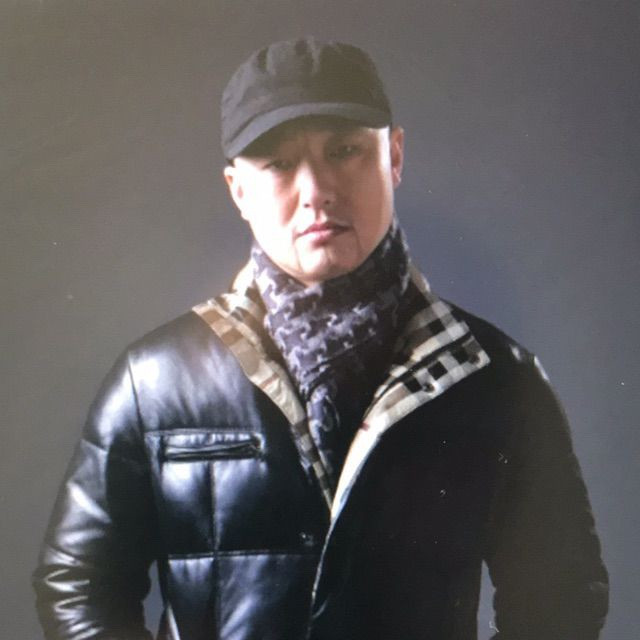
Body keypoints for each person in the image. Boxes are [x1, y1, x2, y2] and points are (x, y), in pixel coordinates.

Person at [33, 37, 608, 640]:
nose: (317, 190)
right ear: (238, 190)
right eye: (279, 164)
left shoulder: (495, 376)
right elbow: (78, 584)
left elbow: (562, 598)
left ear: (395, 156)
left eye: (345, 151)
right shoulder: (155, 379)